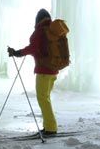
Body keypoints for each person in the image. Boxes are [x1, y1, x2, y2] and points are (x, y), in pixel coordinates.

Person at [7, 8, 60, 136]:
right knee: (46, 99)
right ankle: (48, 126)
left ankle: (51, 128)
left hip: (43, 71)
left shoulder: (39, 32)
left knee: (43, 99)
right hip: (53, 71)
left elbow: (33, 48)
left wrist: (17, 53)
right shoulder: (53, 31)